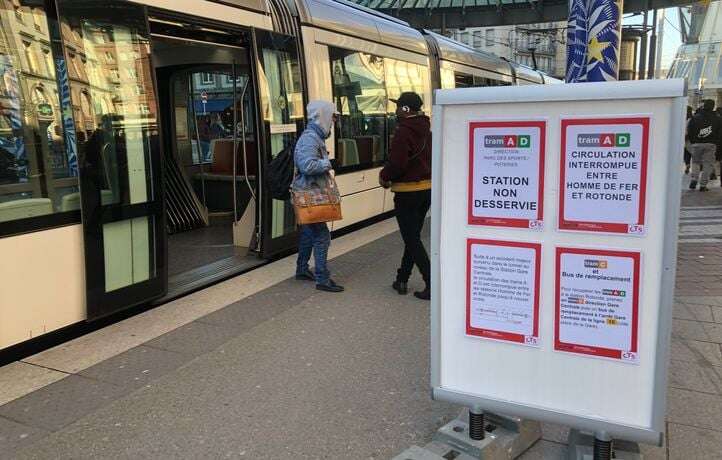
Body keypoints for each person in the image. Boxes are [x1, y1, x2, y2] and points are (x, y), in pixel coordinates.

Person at [379, 92, 432, 300]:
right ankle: (402, 279)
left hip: (407, 193)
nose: (396, 110)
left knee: (411, 239)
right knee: (413, 238)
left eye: (398, 106)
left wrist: (384, 176)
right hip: (426, 191)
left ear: (405, 109)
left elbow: (398, 163)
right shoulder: (427, 130)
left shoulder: (403, 131)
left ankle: (431, 282)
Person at [293, 100, 344, 293]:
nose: (334, 121)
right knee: (322, 236)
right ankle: (323, 279)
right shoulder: (310, 138)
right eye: (332, 116)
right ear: (323, 116)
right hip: (310, 196)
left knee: (308, 234)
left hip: (307, 194)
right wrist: (328, 163)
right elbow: (307, 166)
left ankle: (302, 269)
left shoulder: (314, 137)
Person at [687, 99, 721, 191]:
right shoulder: (717, 118)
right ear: (713, 106)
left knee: (695, 162)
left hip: (697, 143)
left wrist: (693, 141)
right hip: (710, 144)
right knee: (707, 164)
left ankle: (694, 179)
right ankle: (703, 185)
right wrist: (716, 142)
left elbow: (690, 130)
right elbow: (719, 133)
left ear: (704, 105)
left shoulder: (695, 117)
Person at [684, 106, 693, 175]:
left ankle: (687, 164)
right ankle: (688, 165)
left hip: (683, 138)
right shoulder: (692, 119)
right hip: (690, 138)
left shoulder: (682, 117)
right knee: (689, 152)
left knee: (686, 152)